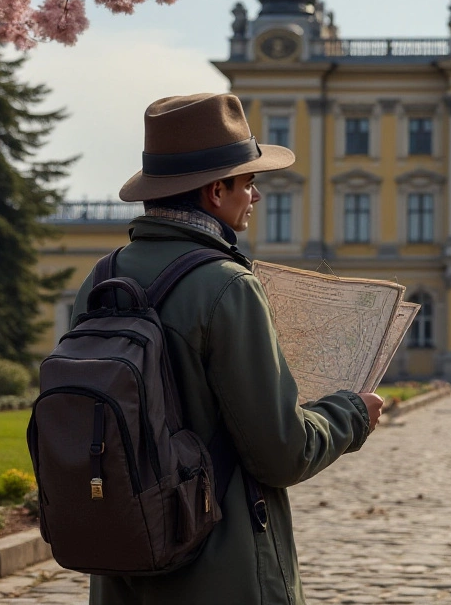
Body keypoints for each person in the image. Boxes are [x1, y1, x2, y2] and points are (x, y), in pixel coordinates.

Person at [75, 93, 383, 603]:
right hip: (221, 567)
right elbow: (281, 452)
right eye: (248, 182)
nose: (256, 195)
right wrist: (352, 414)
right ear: (217, 191)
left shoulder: (102, 278)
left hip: (125, 565)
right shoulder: (226, 285)